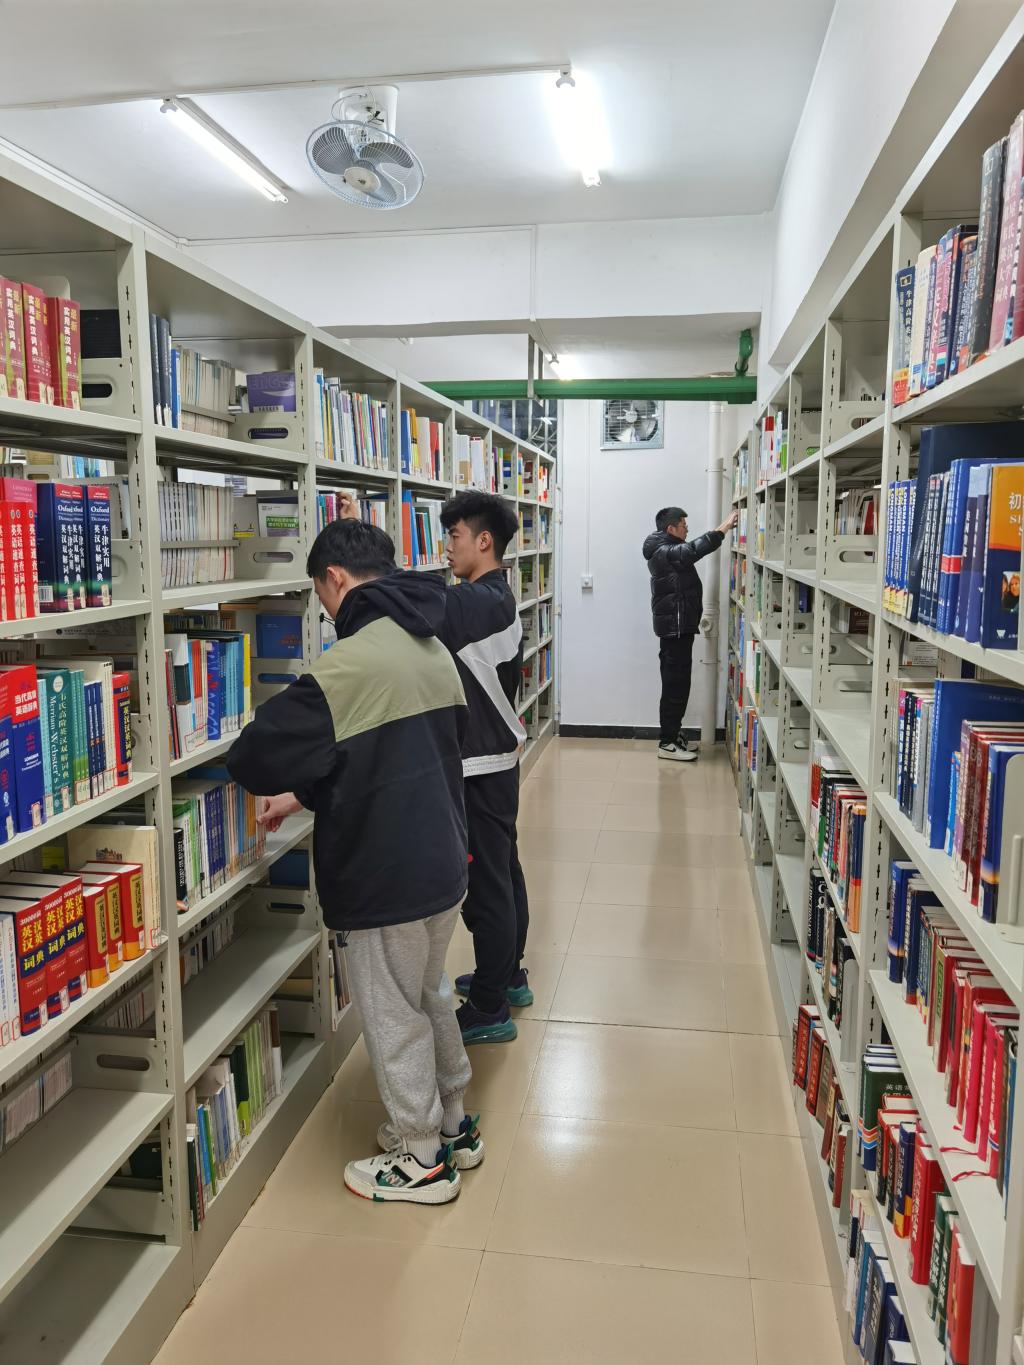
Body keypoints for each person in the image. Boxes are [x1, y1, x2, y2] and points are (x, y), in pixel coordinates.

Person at [226, 518, 484, 1206]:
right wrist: (308, 792)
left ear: (334, 579)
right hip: (442, 861)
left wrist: (289, 777)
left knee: (391, 1012)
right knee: (428, 994)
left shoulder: (344, 667)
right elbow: (395, 753)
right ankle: (454, 1123)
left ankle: (421, 1159)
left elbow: (253, 755)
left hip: (385, 875)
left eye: (320, 596)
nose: (325, 610)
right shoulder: (431, 646)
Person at [337, 490, 529, 1045]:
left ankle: (490, 1006)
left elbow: (414, 599)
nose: (447, 546)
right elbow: (423, 593)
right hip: (495, 758)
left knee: (486, 886)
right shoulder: (489, 595)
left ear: (484, 541)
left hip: (481, 764)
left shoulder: (480, 603)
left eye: (454, 535)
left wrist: (362, 561)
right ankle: (508, 975)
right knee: (504, 870)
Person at [643, 505, 738, 762]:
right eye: (684, 525)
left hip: (678, 628)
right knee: (674, 685)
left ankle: (673, 736)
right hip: (674, 630)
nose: (687, 529)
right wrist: (723, 528)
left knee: (678, 684)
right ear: (671, 528)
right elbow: (693, 550)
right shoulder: (664, 552)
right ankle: (667, 743)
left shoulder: (666, 548)